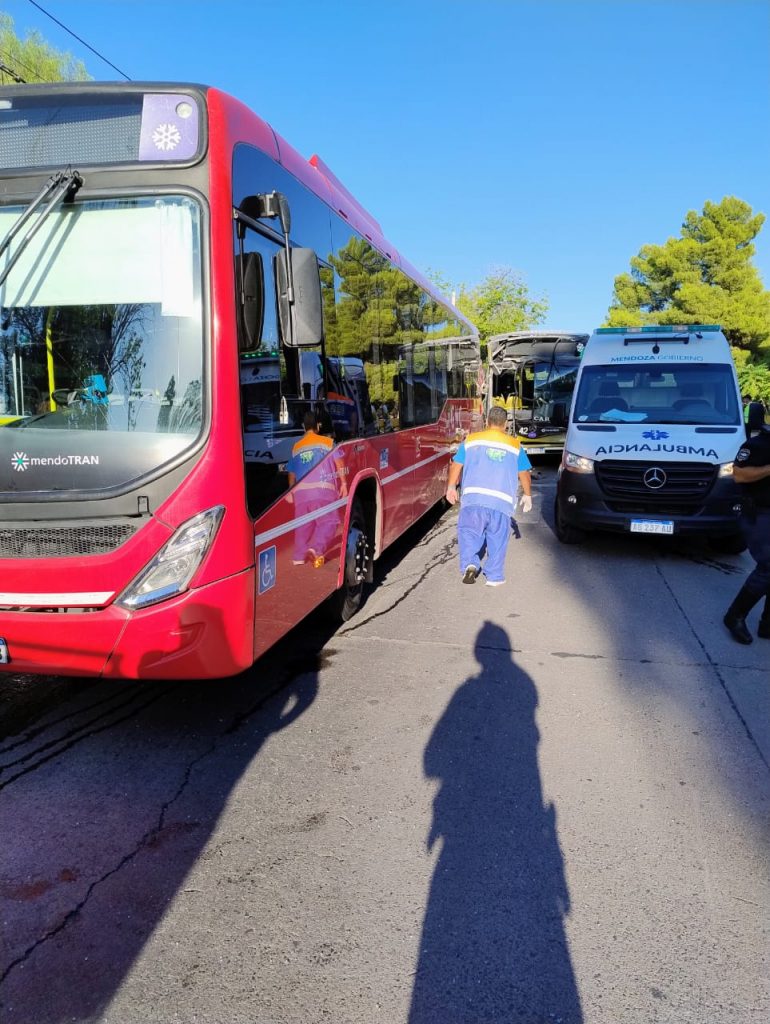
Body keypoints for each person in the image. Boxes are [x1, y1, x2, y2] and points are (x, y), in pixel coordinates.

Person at [445, 405, 532, 586]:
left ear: (486, 422)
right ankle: (494, 576)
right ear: (506, 424)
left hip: (473, 499)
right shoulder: (515, 445)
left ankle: (470, 564)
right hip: (501, 502)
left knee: (469, 533)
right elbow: (524, 472)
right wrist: (527, 495)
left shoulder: (471, 440)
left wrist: (451, 487)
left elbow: (456, 464)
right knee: (497, 538)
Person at [723, 422, 770, 643]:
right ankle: (734, 616)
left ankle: (767, 624)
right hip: (760, 513)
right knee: (768, 567)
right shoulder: (758, 444)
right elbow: (739, 475)